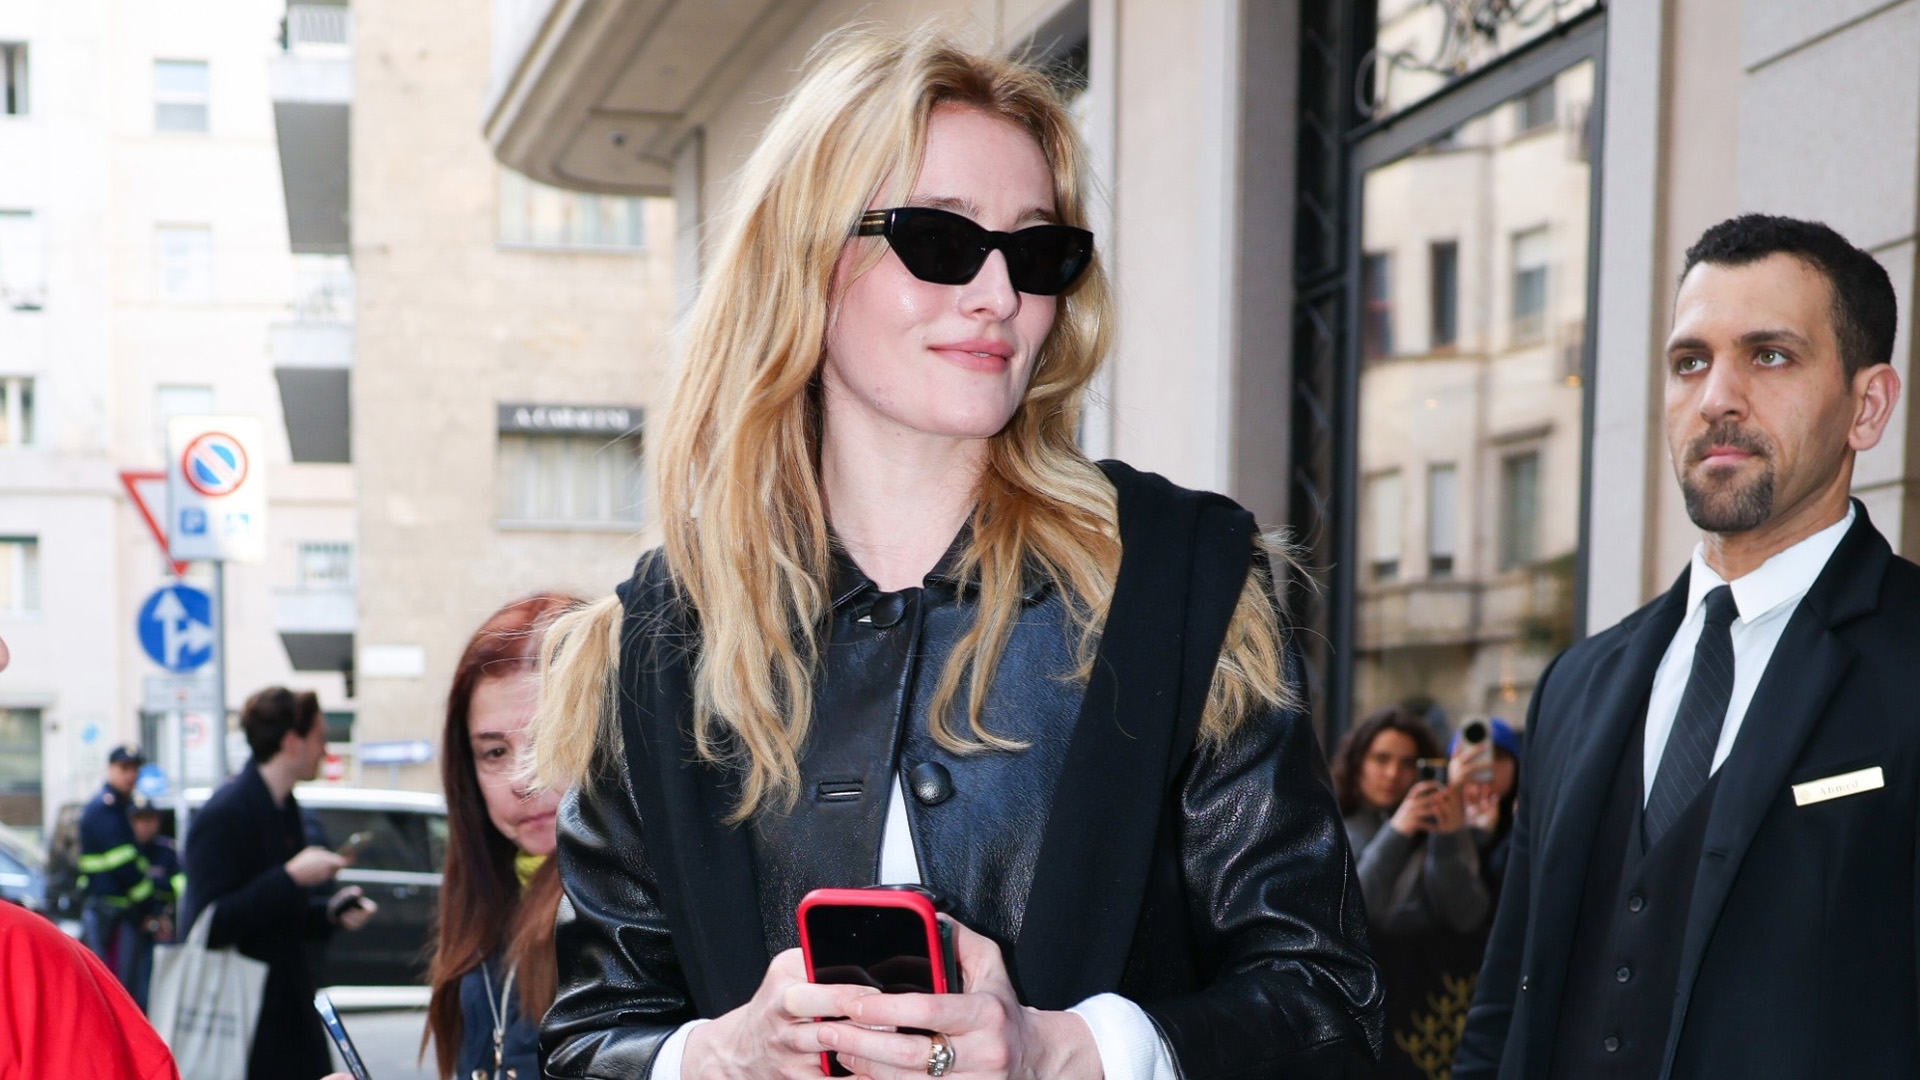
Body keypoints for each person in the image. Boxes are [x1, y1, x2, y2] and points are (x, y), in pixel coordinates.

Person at [525, 27, 1382, 1080]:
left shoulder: (1181, 583)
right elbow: (586, 1038)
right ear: (804, 258)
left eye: (1036, 251)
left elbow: (1328, 1003)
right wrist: (725, 1055)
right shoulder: (659, 641)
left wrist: (1068, 1051)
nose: (998, 294)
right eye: (938, 238)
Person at [1455, 214, 1917, 1078]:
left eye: (1769, 355)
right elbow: (1502, 1012)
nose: (1716, 399)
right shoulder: (1576, 684)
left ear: (1868, 406)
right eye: (1690, 361)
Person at [179, 686, 379, 1080]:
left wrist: (331, 914)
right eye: (319, 737)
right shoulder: (225, 813)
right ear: (291, 742)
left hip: (290, 1012)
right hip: (245, 1023)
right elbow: (209, 925)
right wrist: (290, 877)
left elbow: (283, 919)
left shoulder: (286, 808)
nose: (325, 750)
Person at [422, 593, 578, 1080]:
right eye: (494, 752)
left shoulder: (635, 905)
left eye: (550, 739)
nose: (522, 779)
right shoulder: (493, 890)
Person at [1334, 707, 1491, 1078]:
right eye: (1381, 759)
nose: (1393, 774)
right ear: (1358, 763)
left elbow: (1466, 916)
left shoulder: (1440, 830)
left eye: (1407, 763)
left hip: (1425, 1012)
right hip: (1357, 1013)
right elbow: (1354, 909)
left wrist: (1447, 837)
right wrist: (1398, 831)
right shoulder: (1334, 827)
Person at [77, 744, 152, 993]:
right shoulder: (104, 809)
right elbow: (124, 866)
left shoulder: (118, 808)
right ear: (110, 769)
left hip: (114, 909)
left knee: (114, 982)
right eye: (124, 768)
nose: (131, 775)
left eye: (135, 769)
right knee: (110, 985)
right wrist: (150, 907)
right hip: (107, 910)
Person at [123, 794, 182, 1011]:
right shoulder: (126, 851)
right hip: (133, 924)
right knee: (128, 983)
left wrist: (160, 912)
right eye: (137, 820)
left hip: (163, 925)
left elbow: (178, 886)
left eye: (148, 819)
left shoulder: (168, 851)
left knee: (160, 985)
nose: (143, 826)